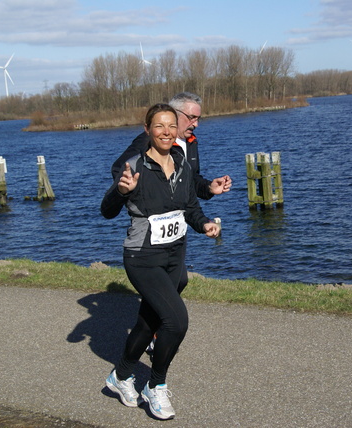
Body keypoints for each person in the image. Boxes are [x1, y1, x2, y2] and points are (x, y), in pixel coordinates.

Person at [101, 103, 221, 420]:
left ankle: (120, 376)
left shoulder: (181, 162)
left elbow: (189, 208)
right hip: (142, 256)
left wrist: (204, 223)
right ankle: (155, 387)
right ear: (147, 131)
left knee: (149, 320)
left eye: (171, 126)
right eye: (159, 126)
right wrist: (120, 191)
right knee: (176, 321)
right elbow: (107, 210)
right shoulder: (135, 166)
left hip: (174, 255)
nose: (166, 132)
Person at [111, 92, 231, 354]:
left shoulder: (190, 143)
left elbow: (189, 182)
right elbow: (120, 169)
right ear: (175, 114)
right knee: (175, 317)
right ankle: (155, 337)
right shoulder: (149, 140)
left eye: (199, 118)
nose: (196, 123)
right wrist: (143, 193)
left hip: (175, 236)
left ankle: (151, 328)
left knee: (180, 282)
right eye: (192, 117)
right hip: (147, 236)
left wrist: (209, 187)